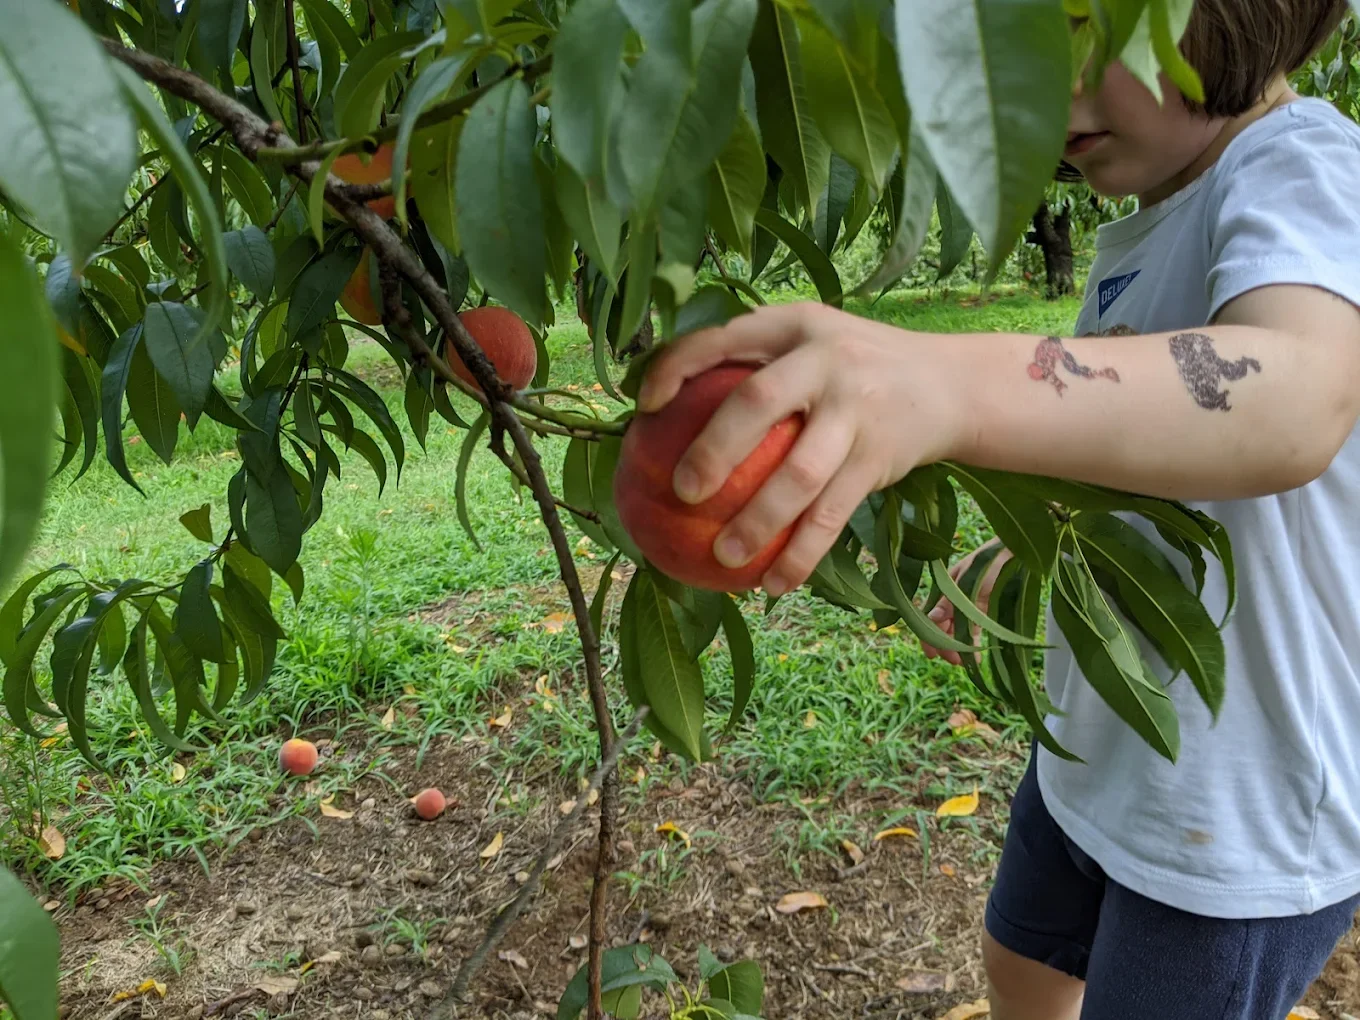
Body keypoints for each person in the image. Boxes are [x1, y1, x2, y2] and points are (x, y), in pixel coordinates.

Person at [635, 2, 1360, 1017]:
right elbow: (1135, 453)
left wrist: (949, 385)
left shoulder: (1305, 167)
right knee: (1022, 962)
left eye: (1079, 26)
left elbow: (1294, 397)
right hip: (1100, 756)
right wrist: (1032, 551)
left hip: (1236, 818)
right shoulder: (1150, 221)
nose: (1042, 89)